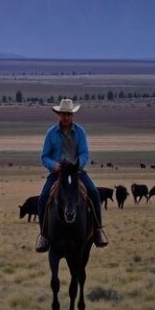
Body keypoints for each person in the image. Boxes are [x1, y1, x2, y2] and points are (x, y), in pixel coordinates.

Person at [36, 98, 108, 252]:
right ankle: (44, 235)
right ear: (59, 114)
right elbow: (44, 156)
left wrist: (77, 165)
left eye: (68, 114)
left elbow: (85, 154)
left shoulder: (80, 132)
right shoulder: (51, 133)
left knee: (94, 193)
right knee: (43, 198)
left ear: (72, 115)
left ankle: (98, 230)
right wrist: (53, 165)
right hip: (57, 173)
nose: (66, 117)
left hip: (76, 172)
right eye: (63, 114)